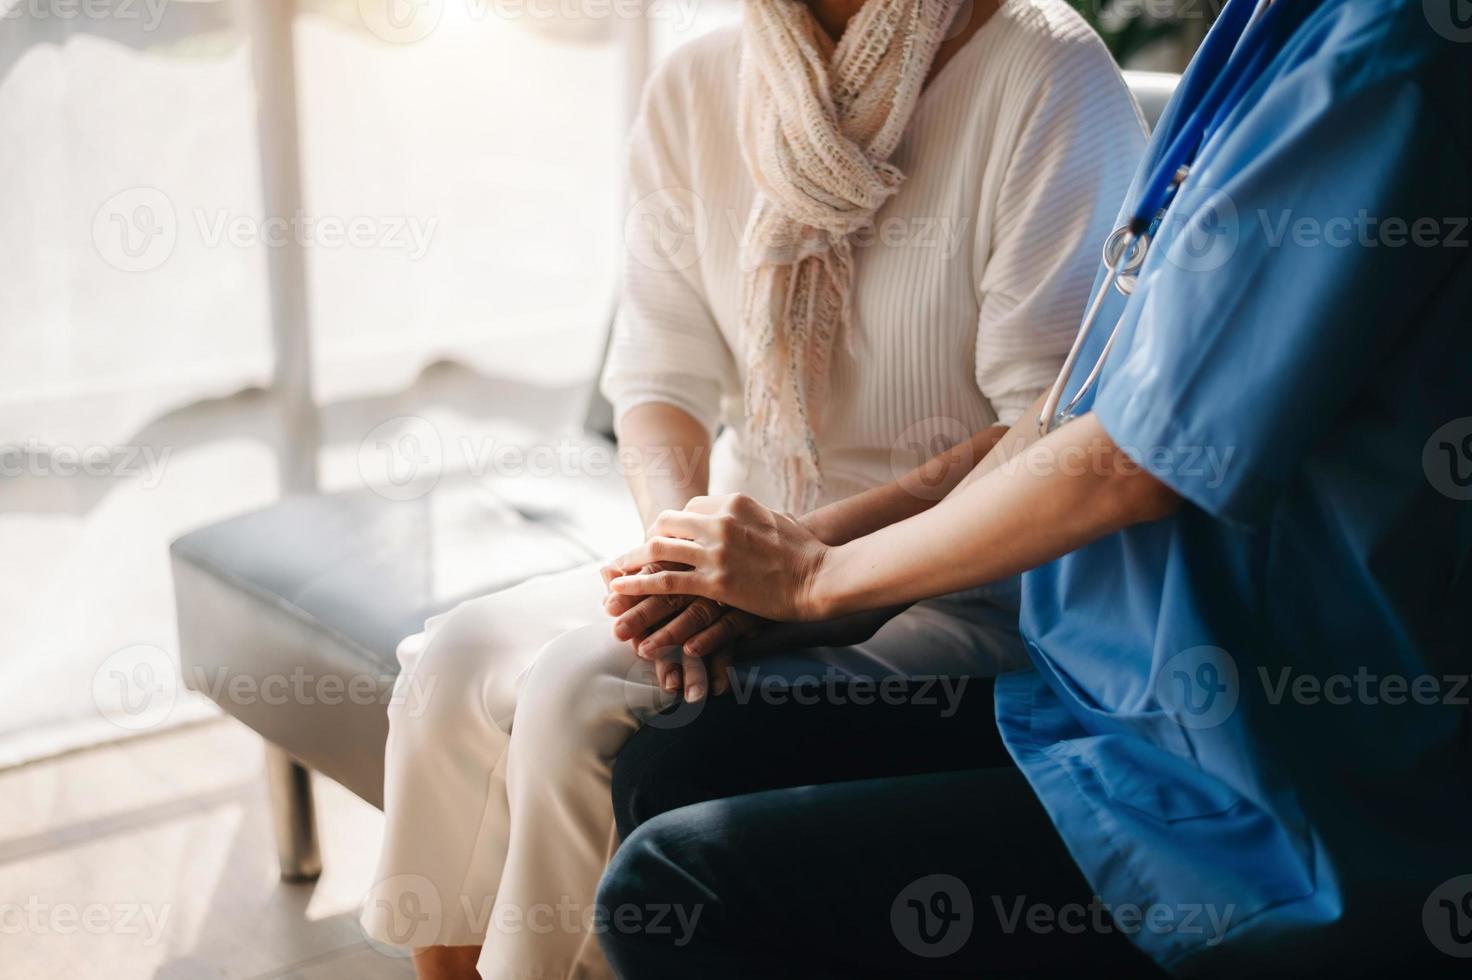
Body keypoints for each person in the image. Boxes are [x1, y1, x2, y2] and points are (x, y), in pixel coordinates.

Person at [595, 0, 1472, 975]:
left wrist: (819, 582)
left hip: (1255, 761)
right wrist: (818, 565)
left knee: (681, 880)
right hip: (1103, 687)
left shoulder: (1383, 55)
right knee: (676, 755)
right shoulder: (1260, 29)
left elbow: (1127, 463)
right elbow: (1062, 417)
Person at [359, 0, 1145, 976]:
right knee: (452, 659)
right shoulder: (696, 84)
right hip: (750, 553)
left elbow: (1038, 431)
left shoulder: (1045, 70)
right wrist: (685, 560)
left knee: (578, 688)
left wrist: (797, 564)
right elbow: (657, 379)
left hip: (952, 583)